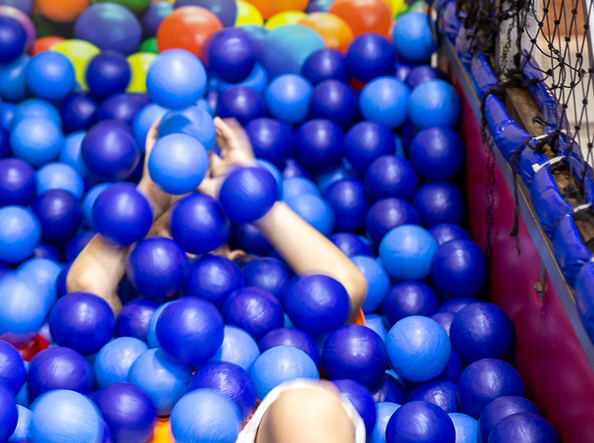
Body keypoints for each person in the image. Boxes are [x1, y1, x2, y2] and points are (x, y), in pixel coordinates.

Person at [67, 117, 369, 443]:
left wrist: (251, 200)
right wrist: (149, 199)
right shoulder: (133, 306)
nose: (186, 233)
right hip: (153, 428)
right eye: (164, 231)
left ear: (234, 249)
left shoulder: (260, 287)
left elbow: (345, 287)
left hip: (254, 421)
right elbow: (84, 288)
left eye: (205, 217)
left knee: (311, 408)